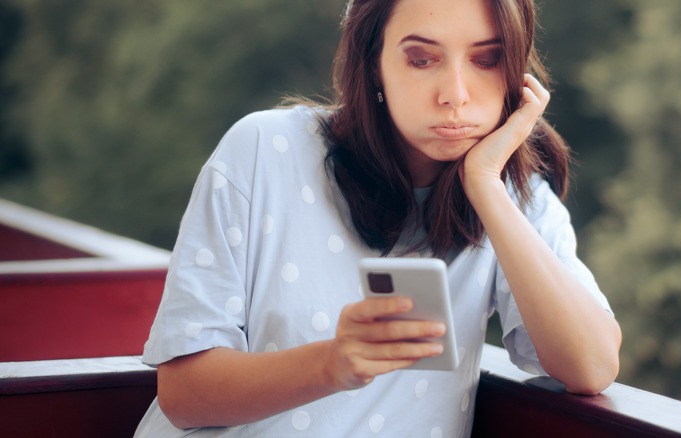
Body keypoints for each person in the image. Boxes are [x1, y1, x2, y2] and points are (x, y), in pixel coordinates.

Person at [134, 0, 622, 435]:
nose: (455, 93)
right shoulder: (262, 150)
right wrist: (333, 363)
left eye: (486, 59)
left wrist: (485, 186)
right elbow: (182, 395)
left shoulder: (513, 197)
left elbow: (593, 366)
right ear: (373, 65)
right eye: (422, 58)